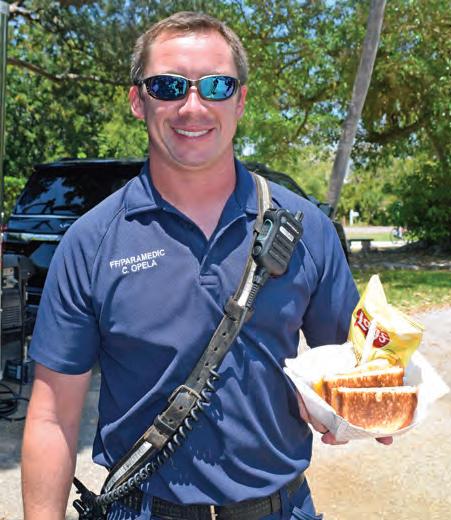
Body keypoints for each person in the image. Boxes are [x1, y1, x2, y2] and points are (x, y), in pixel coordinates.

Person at [21, 11, 391, 520]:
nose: (192, 106)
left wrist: (352, 403)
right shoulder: (90, 243)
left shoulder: (306, 229)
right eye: (167, 86)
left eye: (217, 86)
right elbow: (52, 418)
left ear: (240, 100)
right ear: (138, 101)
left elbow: (354, 367)